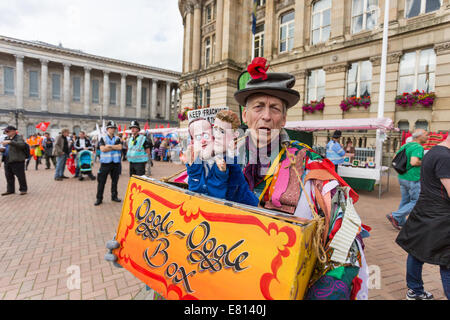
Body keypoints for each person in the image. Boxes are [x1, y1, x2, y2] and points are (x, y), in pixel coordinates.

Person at [396, 131, 450, 300]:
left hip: (425, 209)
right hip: (440, 215)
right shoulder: (445, 157)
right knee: (447, 261)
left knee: (416, 252)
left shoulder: (433, 151)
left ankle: (415, 290)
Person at [185, 110, 259, 206]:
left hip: (245, 210)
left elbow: (214, 197)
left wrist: (220, 173)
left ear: (235, 135)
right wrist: (193, 168)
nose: (217, 135)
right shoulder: (211, 158)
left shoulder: (229, 161)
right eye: (215, 129)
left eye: (222, 131)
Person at [386, 128, 428, 230]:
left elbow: (394, 158)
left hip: (402, 177)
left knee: (405, 200)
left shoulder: (405, 145)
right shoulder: (418, 147)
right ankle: (395, 216)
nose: (428, 137)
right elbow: (414, 162)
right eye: (426, 135)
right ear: (419, 136)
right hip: (413, 178)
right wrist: (425, 162)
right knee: (416, 201)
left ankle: (400, 222)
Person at [95, 121, 122, 206]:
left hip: (115, 163)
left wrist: (109, 146)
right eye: (111, 128)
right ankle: (99, 198)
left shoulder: (117, 138)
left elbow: (120, 147)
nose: (113, 129)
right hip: (105, 164)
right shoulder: (103, 138)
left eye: (114, 128)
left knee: (115, 181)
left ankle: (114, 196)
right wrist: (114, 147)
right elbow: (102, 149)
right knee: (101, 182)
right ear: (107, 129)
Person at [1, 126, 28, 196]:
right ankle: (10, 190)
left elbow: (21, 145)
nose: (6, 133)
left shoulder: (18, 138)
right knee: (8, 176)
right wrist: (2, 150)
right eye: (5, 131)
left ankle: (23, 189)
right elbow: (6, 148)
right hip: (7, 159)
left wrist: (10, 142)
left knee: (20, 176)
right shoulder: (6, 138)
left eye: (7, 131)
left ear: (13, 131)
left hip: (17, 160)